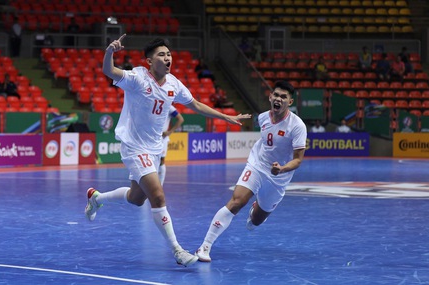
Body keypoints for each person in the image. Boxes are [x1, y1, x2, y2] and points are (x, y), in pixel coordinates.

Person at [84, 35, 251, 267]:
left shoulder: (173, 83)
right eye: (161, 55)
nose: (167, 58)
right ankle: (177, 250)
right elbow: (110, 71)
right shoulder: (137, 78)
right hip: (134, 146)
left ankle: (96, 198)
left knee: (136, 198)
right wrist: (110, 52)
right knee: (158, 196)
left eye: (169, 54)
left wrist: (225, 116)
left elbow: (196, 105)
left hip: (153, 149)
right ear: (149, 61)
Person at [195, 81, 307, 262]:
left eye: (283, 97)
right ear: (270, 97)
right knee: (237, 201)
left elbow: (298, 159)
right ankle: (205, 246)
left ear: (290, 102)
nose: (278, 99)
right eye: (276, 95)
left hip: (278, 177)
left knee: (256, 221)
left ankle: (257, 209)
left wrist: (282, 168)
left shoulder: (297, 126)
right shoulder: (262, 117)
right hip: (257, 165)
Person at [158, 104, 184, 185]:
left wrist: (169, 132)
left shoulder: (169, 107)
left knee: (161, 161)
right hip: (151, 137)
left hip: (162, 138)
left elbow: (180, 119)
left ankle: (160, 185)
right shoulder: (151, 103)